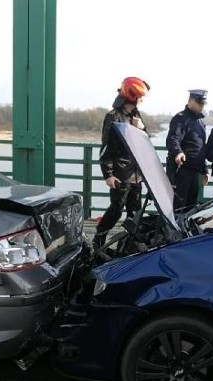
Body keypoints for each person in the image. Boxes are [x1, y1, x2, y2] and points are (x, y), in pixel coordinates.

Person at [92, 76, 150, 251]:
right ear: (133, 96)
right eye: (141, 96)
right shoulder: (113, 116)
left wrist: (141, 128)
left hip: (136, 171)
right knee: (116, 208)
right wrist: (108, 174)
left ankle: (127, 245)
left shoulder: (135, 115)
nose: (143, 100)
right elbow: (106, 147)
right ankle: (99, 238)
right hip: (121, 171)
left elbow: (144, 140)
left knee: (135, 211)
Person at [166, 89, 208, 211]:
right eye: (199, 102)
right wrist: (178, 152)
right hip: (181, 169)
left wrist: (204, 170)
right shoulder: (180, 119)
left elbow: (200, 147)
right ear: (190, 101)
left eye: (203, 103)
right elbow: (173, 139)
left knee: (191, 206)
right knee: (178, 206)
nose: (202, 105)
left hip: (195, 171)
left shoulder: (200, 122)